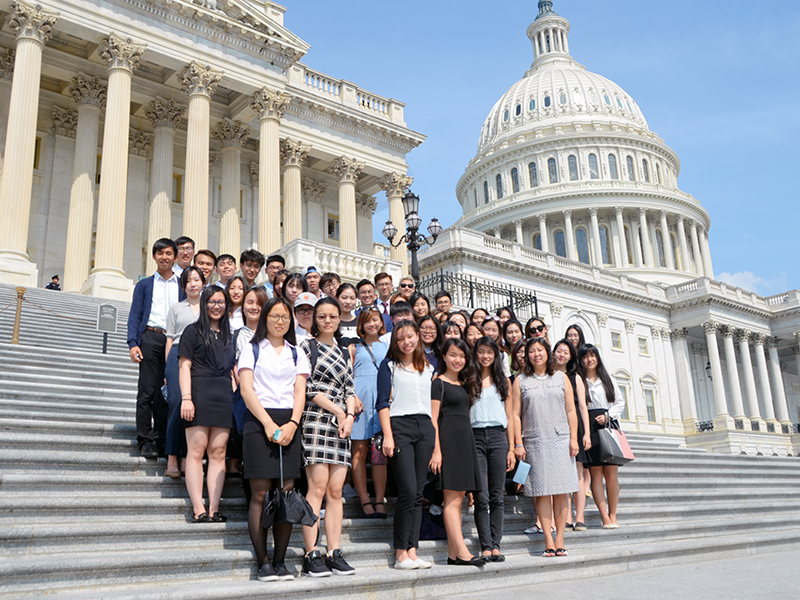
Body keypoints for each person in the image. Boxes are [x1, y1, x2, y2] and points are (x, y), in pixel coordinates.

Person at [238, 296, 308, 582]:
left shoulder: (297, 352)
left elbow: (300, 392)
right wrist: (267, 424)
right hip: (258, 420)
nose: (280, 322)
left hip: (289, 422)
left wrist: (292, 423)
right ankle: (263, 561)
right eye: (274, 316)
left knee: (286, 493)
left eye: (285, 317)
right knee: (259, 494)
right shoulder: (251, 349)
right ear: (264, 318)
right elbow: (246, 389)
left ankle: (280, 561)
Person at [298, 297, 357, 577]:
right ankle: (312, 553)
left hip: (341, 425)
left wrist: (350, 417)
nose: (328, 321)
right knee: (317, 488)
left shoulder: (345, 351)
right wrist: (339, 411)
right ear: (314, 319)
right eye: (322, 316)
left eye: (333, 316)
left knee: (336, 491)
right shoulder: (306, 347)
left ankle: (334, 551)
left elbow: (350, 388)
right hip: (316, 419)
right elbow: (306, 387)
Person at [376, 319, 435, 570]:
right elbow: (382, 403)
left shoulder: (428, 368)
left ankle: (413, 549)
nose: (406, 342)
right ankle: (401, 552)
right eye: (400, 339)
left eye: (410, 336)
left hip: (425, 428)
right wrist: (388, 435)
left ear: (418, 337)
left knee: (419, 493)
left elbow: (433, 406)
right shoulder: (389, 366)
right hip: (400, 427)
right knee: (408, 491)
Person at [512, 338, 579, 557]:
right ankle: (548, 539)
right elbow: (514, 414)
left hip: (560, 440)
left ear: (547, 352)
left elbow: (571, 410)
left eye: (540, 350)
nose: (536, 354)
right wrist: (518, 444)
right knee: (541, 492)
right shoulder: (520, 380)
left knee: (561, 491)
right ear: (527, 355)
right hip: (534, 441)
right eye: (531, 351)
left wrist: (574, 439)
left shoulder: (561, 378)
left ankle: (560, 537)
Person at [178, 286, 235, 523]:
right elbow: (184, 367)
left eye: (221, 302)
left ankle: (214, 508)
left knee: (218, 452)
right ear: (204, 303)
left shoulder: (229, 335)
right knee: (196, 450)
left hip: (223, 395)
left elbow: (233, 368)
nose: (216, 306)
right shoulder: (192, 332)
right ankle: (198, 508)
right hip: (199, 392)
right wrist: (186, 398)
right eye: (212, 301)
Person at [127, 238, 184, 459]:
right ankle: (144, 439)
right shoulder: (144, 285)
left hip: (175, 341)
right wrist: (133, 343)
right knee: (147, 391)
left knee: (167, 393)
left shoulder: (181, 285)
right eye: (160, 253)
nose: (164, 257)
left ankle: (162, 439)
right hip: (151, 337)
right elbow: (134, 315)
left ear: (175, 257)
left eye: (169, 253)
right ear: (154, 257)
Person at [430, 338, 484, 567]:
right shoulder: (438, 383)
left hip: (465, 442)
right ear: (444, 356)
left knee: (458, 499)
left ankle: (454, 554)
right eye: (453, 355)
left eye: (462, 356)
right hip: (448, 443)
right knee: (451, 501)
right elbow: (432, 419)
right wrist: (436, 451)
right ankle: (462, 551)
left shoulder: (464, 384)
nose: (457, 360)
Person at [471, 337, 515, 562]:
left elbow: (510, 416)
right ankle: (485, 545)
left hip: (499, 437)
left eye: (490, 352)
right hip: (475, 437)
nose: (486, 356)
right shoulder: (468, 379)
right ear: (475, 353)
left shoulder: (503, 381)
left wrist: (512, 448)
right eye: (481, 351)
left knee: (497, 495)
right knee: (481, 496)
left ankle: (496, 545)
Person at [163, 266, 205, 478]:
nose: (193, 284)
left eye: (196, 279)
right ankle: (172, 457)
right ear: (184, 285)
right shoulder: (176, 308)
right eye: (188, 280)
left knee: (194, 406)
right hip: (178, 354)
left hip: (200, 355)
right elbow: (169, 339)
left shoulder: (208, 309)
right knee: (177, 403)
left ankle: (189, 457)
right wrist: (166, 369)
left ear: (203, 283)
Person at [348, 307, 389, 519]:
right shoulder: (354, 347)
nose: (372, 324)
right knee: (359, 451)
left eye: (375, 320)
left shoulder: (389, 347)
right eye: (367, 321)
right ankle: (364, 499)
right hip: (360, 404)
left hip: (382, 403)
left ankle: (380, 499)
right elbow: (348, 375)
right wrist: (353, 397)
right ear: (361, 325)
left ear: (381, 322)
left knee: (379, 454)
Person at [579, 343, 624, 529]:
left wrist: (608, 416)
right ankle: (604, 517)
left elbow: (620, 403)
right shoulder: (580, 380)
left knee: (612, 474)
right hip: (589, 424)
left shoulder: (608, 379)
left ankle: (613, 515)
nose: (590, 360)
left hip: (609, 424)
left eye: (593, 355)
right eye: (585, 356)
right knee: (596, 474)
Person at [553, 338, 592, 531]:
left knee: (577, 473)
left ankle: (580, 517)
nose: (561, 354)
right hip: (557, 426)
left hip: (575, 425)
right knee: (563, 474)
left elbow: (583, 406)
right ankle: (566, 516)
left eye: (565, 352)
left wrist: (587, 434)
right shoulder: (549, 375)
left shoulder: (575, 377)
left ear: (571, 356)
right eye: (559, 351)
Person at [335, 283, 359, 347]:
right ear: (336, 298)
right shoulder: (333, 322)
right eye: (344, 298)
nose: (348, 302)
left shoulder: (361, 323)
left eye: (352, 298)